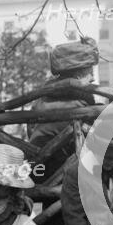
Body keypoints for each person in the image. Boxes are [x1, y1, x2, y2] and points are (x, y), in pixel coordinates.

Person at [29, 37, 99, 183]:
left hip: (37, 168)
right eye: (89, 71)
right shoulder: (84, 101)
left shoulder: (41, 97)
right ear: (78, 73)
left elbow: (30, 129)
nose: (92, 78)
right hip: (68, 175)